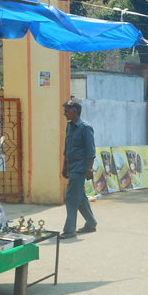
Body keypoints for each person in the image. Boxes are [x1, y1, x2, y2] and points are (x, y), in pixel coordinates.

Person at [60, 99, 97, 240]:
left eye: (67, 111)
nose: (64, 113)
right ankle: (91, 223)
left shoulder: (85, 128)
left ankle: (69, 231)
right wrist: (64, 167)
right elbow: (67, 149)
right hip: (71, 167)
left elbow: (91, 152)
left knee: (71, 199)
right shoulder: (69, 126)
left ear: (75, 111)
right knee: (80, 198)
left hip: (80, 169)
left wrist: (89, 170)